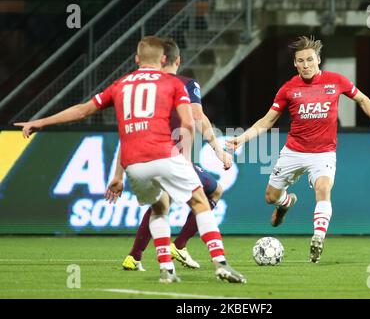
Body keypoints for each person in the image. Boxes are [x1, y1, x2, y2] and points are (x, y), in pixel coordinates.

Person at [15, 35, 246, 284]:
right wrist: (185, 160)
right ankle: (220, 264)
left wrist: (40, 121)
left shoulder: (120, 85)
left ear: (137, 59)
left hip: (134, 164)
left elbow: (82, 110)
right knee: (201, 201)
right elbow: (189, 122)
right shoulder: (174, 83)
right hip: (166, 154)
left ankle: (166, 270)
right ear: (165, 59)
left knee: (159, 209)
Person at [226, 35, 370, 263]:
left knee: (323, 187)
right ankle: (285, 203)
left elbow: (363, 100)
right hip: (293, 152)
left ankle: (318, 237)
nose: (306, 65)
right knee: (270, 197)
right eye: (301, 61)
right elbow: (267, 121)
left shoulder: (336, 81)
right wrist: (241, 139)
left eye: (310, 60)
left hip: (323, 153)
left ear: (318, 60)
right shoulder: (288, 89)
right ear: (294, 64)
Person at [106, 37, 231, 272]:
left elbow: (128, 134)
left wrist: (119, 174)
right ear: (177, 60)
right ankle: (180, 246)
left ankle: (135, 256)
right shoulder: (185, 84)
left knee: (160, 204)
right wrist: (218, 150)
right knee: (212, 191)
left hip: (142, 156)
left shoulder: (139, 88)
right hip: (170, 157)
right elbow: (197, 117)